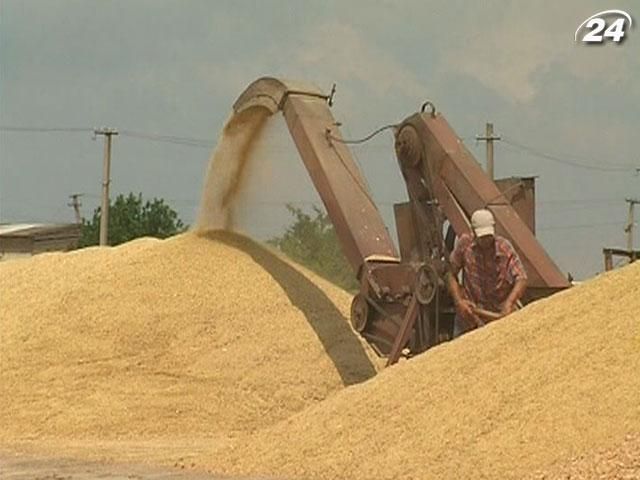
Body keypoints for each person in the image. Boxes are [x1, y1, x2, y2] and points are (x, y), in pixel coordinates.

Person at [446, 209, 528, 337]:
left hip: (499, 313)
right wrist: (459, 301)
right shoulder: (464, 245)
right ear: (473, 232)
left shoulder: (504, 248)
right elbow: (451, 274)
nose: (486, 241)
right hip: (471, 314)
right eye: (482, 238)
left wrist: (509, 303)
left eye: (488, 237)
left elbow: (521, 278)